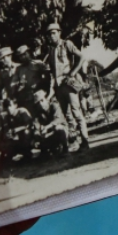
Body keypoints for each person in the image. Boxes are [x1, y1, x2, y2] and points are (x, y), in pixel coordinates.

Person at [44, 22, 91, 150]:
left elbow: (81, 57)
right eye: (49, 34)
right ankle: (67, 144)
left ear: (59, 33)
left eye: (53, 33)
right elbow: (51, 71)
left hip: (69, 84)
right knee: (63, 116)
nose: (51, 36)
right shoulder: (50, 49)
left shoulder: (67, 44)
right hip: (58, 87)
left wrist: (72, 73)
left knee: (76, 112)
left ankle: (85, 141)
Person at [30, 89, 69, 157]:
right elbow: (36, 123)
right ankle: (46, 151)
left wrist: (46, 127)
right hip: (47, 133)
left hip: (62, 131)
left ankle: (65, 149)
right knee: (35, 137)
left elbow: (57, 120)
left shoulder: (54, 105)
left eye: (42, 101)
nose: (41, 104)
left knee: (58, 128)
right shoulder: (39, 111)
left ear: (45, 99)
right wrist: (38, 131)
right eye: (38, 103)